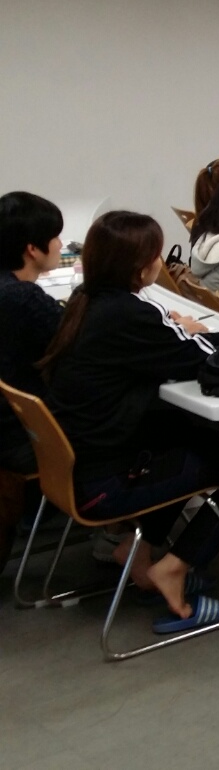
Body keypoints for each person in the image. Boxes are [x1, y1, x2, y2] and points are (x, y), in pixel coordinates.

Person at [39, 211, 219, 631]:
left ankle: (138, 551)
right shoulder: (126, 313)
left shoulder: (85, 300)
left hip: (79, 466)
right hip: (105, 482)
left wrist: (218, 336)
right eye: (156, 254)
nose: (161, 261)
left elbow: (170, 348)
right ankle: (175, 569)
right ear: (138, 266)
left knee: (184, 434)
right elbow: (196, 358)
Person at [0, 192, 66, 561]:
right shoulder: (23, 299)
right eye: (55, 237)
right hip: (24, 437)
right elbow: (79, 346)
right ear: (32, 249)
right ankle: (117, 535)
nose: (60, 245)